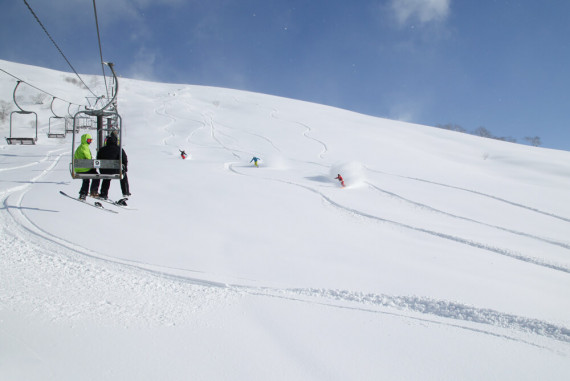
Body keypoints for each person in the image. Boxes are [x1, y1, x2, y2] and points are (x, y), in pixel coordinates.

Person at [96, 133, 130, 200]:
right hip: (115, 170)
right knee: (123, 175)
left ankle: (103, 193)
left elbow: (98, 159)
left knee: (106, 177)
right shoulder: (119, 149)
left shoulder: (102, 149)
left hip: (104, 170)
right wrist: (125, 168)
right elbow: (124, 159)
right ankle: (125, 192)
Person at [75, 133, 100, 200]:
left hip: (78, 169)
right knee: (96, 176)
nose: (89, 142)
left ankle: (83, 194)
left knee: (86, 179)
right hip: (84, 169)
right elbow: (88, 158)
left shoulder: (80, 147)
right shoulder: (84, 147)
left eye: (90, 140)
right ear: (84, 140)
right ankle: (93, 191)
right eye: (88, 140)